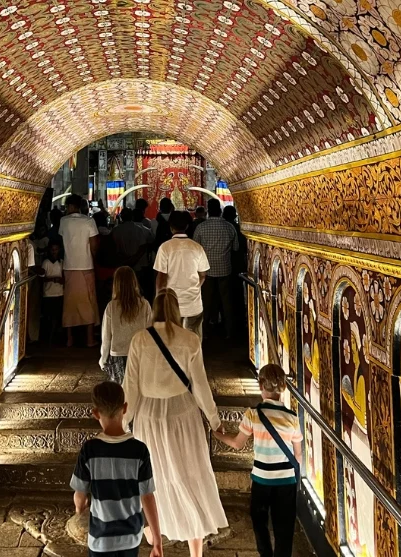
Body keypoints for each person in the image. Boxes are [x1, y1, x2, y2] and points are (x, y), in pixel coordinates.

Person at [123, 289, 228, 557]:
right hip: (183, 413)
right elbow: (200, 386)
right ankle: (196, 552)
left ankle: (155, 540)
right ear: (177, 310)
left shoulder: (139, 340)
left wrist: (122, 423)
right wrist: (214, 420)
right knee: (191, 476)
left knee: (152, 477)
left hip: (148, 416)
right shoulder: (190, 340)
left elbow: (130, 386)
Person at [214, 364, 302, 557]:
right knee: (284, 526)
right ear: (283, 387)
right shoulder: (292, 418)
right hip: (286, 481)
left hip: (262, 480)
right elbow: (298, 455)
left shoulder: (253, 415)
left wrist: (218, 434)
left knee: (259, 520)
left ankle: (265, 554)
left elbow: (237, 444)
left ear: (261, 385)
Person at [71, 382, 163, 557]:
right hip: (130, 538)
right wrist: (157, 540)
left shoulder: (90, 450)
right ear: (125, 408)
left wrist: (79, 509)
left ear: (95, 413)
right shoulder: (139, 450)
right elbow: (148, 497)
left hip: (100, 540)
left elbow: (80, 495)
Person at [154, 211, 209, 339]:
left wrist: (159, 300)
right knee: (194, 341)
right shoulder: (197, 247)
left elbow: (161, 277)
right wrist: (195, 287)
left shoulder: (165, 248)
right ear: (187, 226)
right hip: (193, 304)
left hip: (171, 305)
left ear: (171, 227)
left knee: (173, 340)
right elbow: (203, 274)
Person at [194, 199, 239, 339]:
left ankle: (204, 331)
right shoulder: (229, 227)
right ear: (220, 211)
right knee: (227, 301)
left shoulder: (201, 227)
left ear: (208, 211)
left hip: (206, 270)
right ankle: (230, 331)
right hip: (225, 269)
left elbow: (195, 249)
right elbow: (236, 248)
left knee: (206, 301)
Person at [59, 194, 100, 347]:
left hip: (69, 266)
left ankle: (69, 338)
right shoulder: (89, 221)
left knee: (69, 304)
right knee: (88, 301)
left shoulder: (63, 221)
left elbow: (62, 242)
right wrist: (94, 259)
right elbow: (94, 246)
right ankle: (89, 338)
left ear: (70, 206)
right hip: (86, 266)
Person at [99, 267, 152, 384]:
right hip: (139, 354)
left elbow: (106, 336)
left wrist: (103, 359)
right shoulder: (145, 305)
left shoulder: (111, 307)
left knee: (121, 390)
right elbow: (150, 334)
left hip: (118, 355)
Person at [42, 240, 64, 344]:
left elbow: (64, 277)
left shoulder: (61, 262)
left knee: (56, 316)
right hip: (48, 293)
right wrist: (53, 279)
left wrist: (60, 280)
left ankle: (53, 337)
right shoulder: (46, 262)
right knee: (49, 317)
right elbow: (42, 278)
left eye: (56, 249)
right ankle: (49, 338)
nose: (54, 252)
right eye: (52, 249)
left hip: (59, 293)